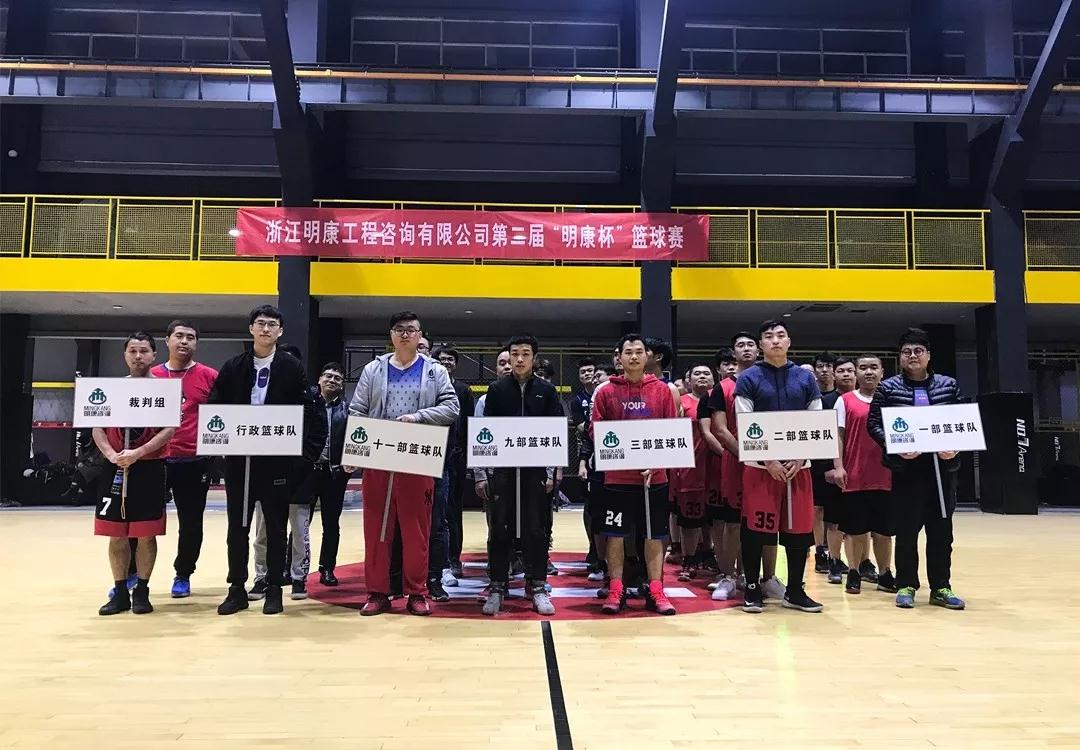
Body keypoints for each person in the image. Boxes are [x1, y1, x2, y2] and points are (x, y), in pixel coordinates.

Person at [209, 305, 323, 616]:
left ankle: (274, 588)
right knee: (238, 527)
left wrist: (303, 458)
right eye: (260, 323)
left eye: (272, 324)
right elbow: (215, 405)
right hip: (240, 461)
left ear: (280, 331)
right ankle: (236, 588)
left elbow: (308, 411)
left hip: (276, 462)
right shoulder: (234, 366)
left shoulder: (291, 367)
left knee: (275, 527)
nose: (266, 329)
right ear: (251, 329)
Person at [350, 311, 460, 617]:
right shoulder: (373, 369)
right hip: (379, 454)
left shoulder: (434, 371)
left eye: (411, 330)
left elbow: (451, 407)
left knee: (417, 531)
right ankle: (377, 593)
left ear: (420, 335)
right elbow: (357, 410)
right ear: (391, 335)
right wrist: (356, 452)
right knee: (377, 529)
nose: (405, 334)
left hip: (417, 453)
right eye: (399, 329)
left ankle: (417, 592)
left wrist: (419, 417)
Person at [735, 321, 846, 614]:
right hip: (761, 469)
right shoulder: (748, 378)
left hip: (799, 468)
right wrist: (768, 460)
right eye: (769, 336)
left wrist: (799, 457)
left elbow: (816, 421)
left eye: (780, 336)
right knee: (755, 530)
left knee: (799, 531)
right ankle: (752, 588)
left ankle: (795, 590)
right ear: (761, 344)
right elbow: (744, 422)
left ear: (789, 342)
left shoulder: (805, 378)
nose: (775, 340)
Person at [868, 328, 965, 610]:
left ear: (928, 356)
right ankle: (906, 584)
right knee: (906, 531)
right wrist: (894, 445)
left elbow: (962, 422)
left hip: (941, 471)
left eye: (918, 351)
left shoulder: (948, 385)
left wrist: (955, 447)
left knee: (941, 533)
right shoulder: (888, 388)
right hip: (906, 471)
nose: (913, 356)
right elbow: (873, 424)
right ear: (900, 357)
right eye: (907, 352)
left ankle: (941, 587)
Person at [590, 334, 678, 616]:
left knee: (654, 535)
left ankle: (656, 589)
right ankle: (616, 588)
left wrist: (656, 462)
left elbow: (671, 431)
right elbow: (596, 431)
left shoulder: (662, 391)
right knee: (615, 536)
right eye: (628, 352)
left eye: (639, 351)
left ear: (647, 356)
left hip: (654, 478)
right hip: (617, 479)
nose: (634, 356)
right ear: (619, 357)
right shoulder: (606, 392)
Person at [480, 336, 566, 616]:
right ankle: (497, 586)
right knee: (499, 529)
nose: (519, 359)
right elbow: (487, 432)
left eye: (525, 354)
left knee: (536, 529)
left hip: (535, 471)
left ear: (533, 358)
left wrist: (553, 471)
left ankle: (538, 586)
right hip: (503, 471)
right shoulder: (496, 389)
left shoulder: (546, 390)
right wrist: (484, 472)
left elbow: (556, 431)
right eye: (514, 353)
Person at [94, 332, 177, 615]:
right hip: (115, 466)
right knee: (115, 533)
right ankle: (119, 591)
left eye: (144, 351)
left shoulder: (165, 390)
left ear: (154, 355)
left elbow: (169, 429)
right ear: (125, 355)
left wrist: (138, 453)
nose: (138, 356)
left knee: (146, 534)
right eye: (133, 351)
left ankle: (142, 589)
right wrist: (111, 455)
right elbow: (97, 425)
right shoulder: (112, 389)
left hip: (149, 467)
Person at [249, 343, 327, 602]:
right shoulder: (260, 394)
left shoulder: (312, 396)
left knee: (299, 532)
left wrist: (304, 462)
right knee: (262, 531)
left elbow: (319, 433)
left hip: (300, 475)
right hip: (266, 472)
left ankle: (298, 577)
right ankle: (262, 577)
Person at [150, 320, 217, 599]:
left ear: (196, 343)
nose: (184, 341)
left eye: (190, 337)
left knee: (191, 523)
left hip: (193, 460)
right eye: (179, 336)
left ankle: (183, 573)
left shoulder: (209, 376)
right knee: (144, 520)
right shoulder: (151, 376)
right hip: (154, 459)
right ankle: (133, 574)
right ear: (167, 340)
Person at [834, 354, 895, 594]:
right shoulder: (845, 401)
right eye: (863, 368)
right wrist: (839, 466)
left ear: (882, 372)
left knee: (884, 532)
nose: (868, 372)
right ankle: (854, 571)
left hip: (887, 475)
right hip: (855, 476)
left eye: (873, 367)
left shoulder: (891, 400)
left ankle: (885, 573)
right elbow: (838, 436)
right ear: (856, 373)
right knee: (855, 530)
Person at [305, 362, 351, 587]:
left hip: (334, 474)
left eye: (337, 378)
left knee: (331, 524)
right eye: (328, 376)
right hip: (308, 472)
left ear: (342, 385)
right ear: (319, 380)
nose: (332, 380)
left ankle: (327, 568)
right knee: (301, 523)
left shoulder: (348, 410)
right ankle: (294, 567)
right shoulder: (307, 405)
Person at [433, 346, 475, 592]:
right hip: (429, 455)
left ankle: (453, 559)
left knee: (452, 510)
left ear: (455, 364)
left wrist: (466, 458)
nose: (446, 362)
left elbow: (468, 425)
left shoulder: (463, 390)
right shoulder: (429, 387)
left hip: (455, 458)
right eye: (442, 359)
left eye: (450, 359)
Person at [673, 363, 715, 582]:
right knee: (690, 518)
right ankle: (688, 559)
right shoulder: (682, 402)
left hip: (716, 467)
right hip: (691, 469)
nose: (702, 376)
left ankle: (709, 554)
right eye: (696, 373)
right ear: (688, 380)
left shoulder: (718, 401)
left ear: (714, 379)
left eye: (706, 373)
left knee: (713, 518)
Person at [810, 352, 845, 580]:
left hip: (838, 462)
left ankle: (837, 557)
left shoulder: (841, 398)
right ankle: (819, 552)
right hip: (815, 462)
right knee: (817, 509)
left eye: (828, 366)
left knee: (836, 514)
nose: (824, 370)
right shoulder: (811, 397)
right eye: (820, 366)